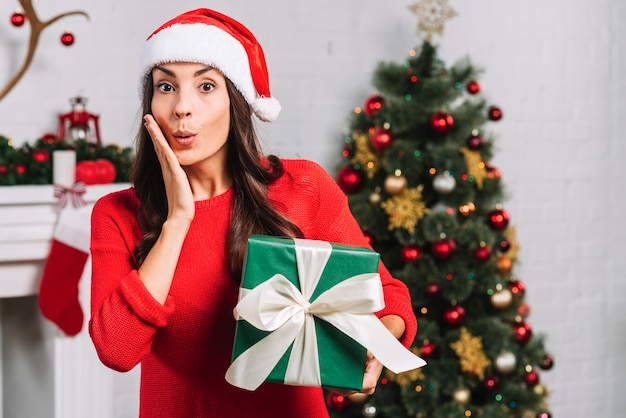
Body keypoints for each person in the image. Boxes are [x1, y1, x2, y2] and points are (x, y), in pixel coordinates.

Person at [89, 8, 417, 418]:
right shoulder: (117, 214)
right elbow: (117, 350)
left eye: (206, 85)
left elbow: (387, 295)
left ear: (236, 100)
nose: (182, 108)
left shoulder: (302, 188)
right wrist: (177, 221)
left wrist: (375, 349)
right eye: (166, 86)